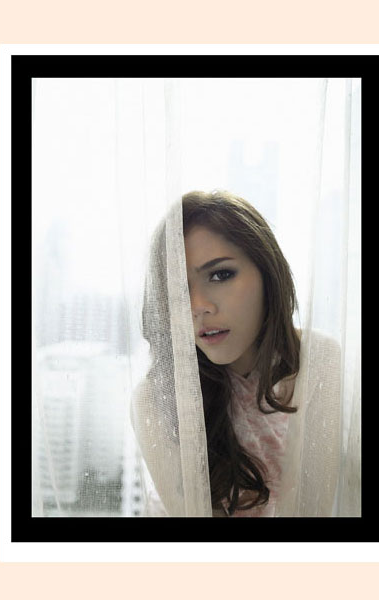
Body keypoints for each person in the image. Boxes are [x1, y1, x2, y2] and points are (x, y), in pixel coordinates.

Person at [131, 190, 341, 517]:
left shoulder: (320, 360)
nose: (198, 306)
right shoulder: (157, 398)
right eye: (178, 289)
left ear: (267, 273)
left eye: (221, 275)